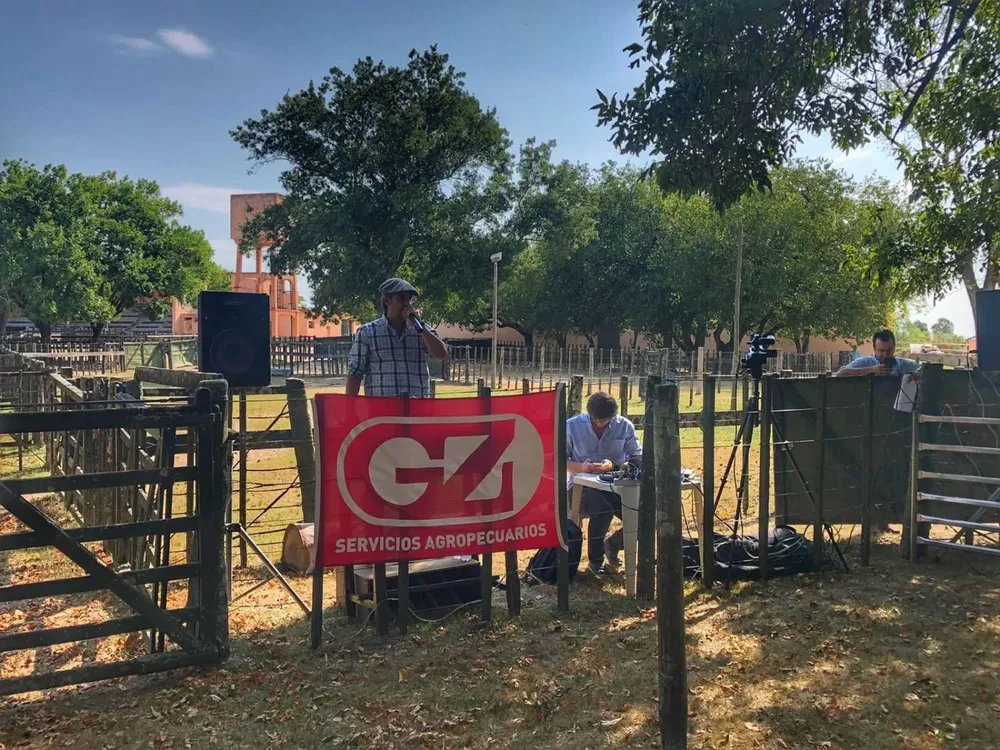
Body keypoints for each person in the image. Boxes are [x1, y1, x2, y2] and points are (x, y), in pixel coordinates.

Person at [566, 392, 642, 575]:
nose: (600, 424)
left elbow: (638, 457)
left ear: (613, 415)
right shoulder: (571, 426)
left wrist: (614, 465)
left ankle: (614, 543)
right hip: (581, 487)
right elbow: (557, 459)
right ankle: (596, 561)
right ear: (588, 413)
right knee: (602, 509)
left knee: (647, 513)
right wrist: (582, 467)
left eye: (605, 421)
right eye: (596, 420)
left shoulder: (624, 426)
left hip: (617, 485)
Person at [346, 278, 449, 398]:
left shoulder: (421, 329)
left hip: (416, 410)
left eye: (409, 299)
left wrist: (421, 329)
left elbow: (441, 354)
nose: (406, 304)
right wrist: (350, 408)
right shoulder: (367, 332)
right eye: (401, 298)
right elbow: (355, 373)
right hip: (382, 411)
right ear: (386, 301)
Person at [834, 330, 921, 378]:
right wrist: (871, 370)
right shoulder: (863, 362)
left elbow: (926, 371)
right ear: (874, 349)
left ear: (894, 348)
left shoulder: (903, 364)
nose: (885, 354)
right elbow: (840, 373)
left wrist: (918, 376)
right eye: (881, 350)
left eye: (889, 350)